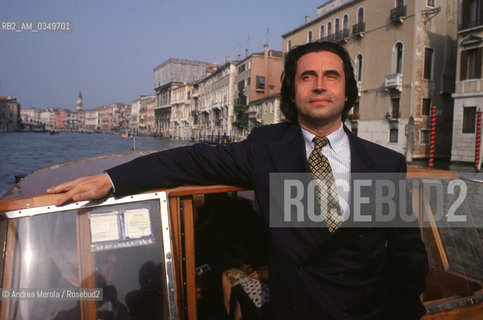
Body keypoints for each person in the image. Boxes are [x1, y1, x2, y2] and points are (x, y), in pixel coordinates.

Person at [47, 41, 428, 319]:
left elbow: (408, 255)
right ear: (293, 93)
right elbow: (194, 159)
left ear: (347, 92)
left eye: (331, 76)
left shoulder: (384, 163)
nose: (319, 85)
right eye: (306, 76)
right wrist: (112, 180)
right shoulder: (266, 148)